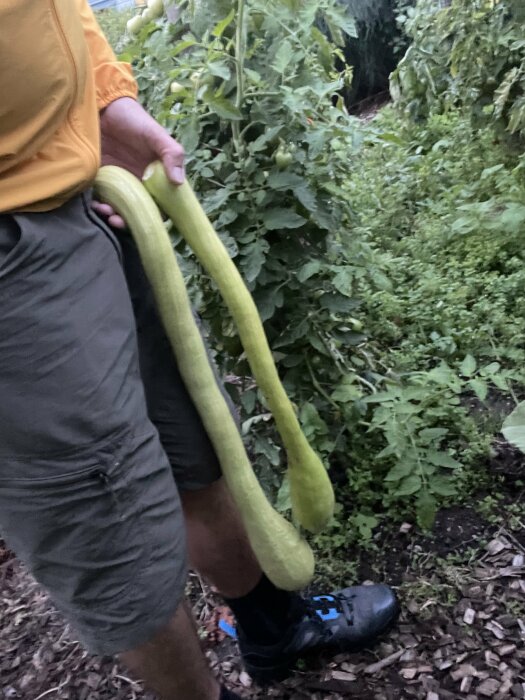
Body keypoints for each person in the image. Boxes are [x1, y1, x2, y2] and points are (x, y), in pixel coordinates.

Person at [0, 2, 400, 699]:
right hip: (12, 261)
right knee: (108, 526)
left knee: (198, 437)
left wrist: (101, 98)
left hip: (81, 188)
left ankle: (272, 629)